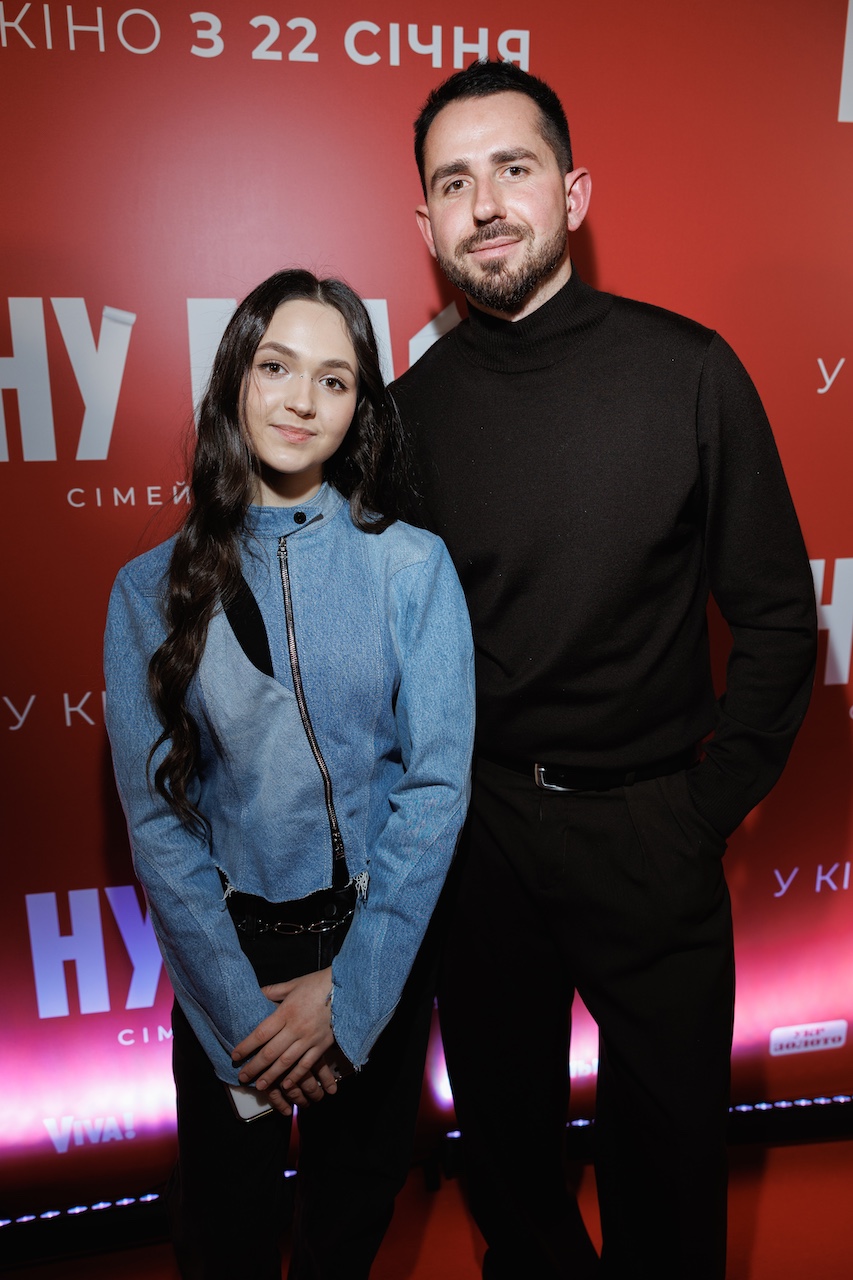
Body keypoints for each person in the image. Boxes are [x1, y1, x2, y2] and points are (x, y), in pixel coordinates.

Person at [391, 60, 817, 1280]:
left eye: (512, 169)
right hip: (480, 837)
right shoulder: (403, 416)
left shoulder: (688, 370)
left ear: (572, 195)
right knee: (510, 1168)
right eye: (453, 183)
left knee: (672, 1175)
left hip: (650, 830)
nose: (485, 205)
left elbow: (778, 615)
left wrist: (702, 808)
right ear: (424, 224)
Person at [104, 268, 474, 1280]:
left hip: (375, 940)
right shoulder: (148, 591)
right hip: (235, 958)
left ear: (359, 409)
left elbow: (436, 790)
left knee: (348, 1223)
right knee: (225, 1233)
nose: (302, 400)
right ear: (236, 377)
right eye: (276, 366)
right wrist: (244, 1013)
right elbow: (158, 823)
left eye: (334, 379)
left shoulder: (411, 567)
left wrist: (350, 997)